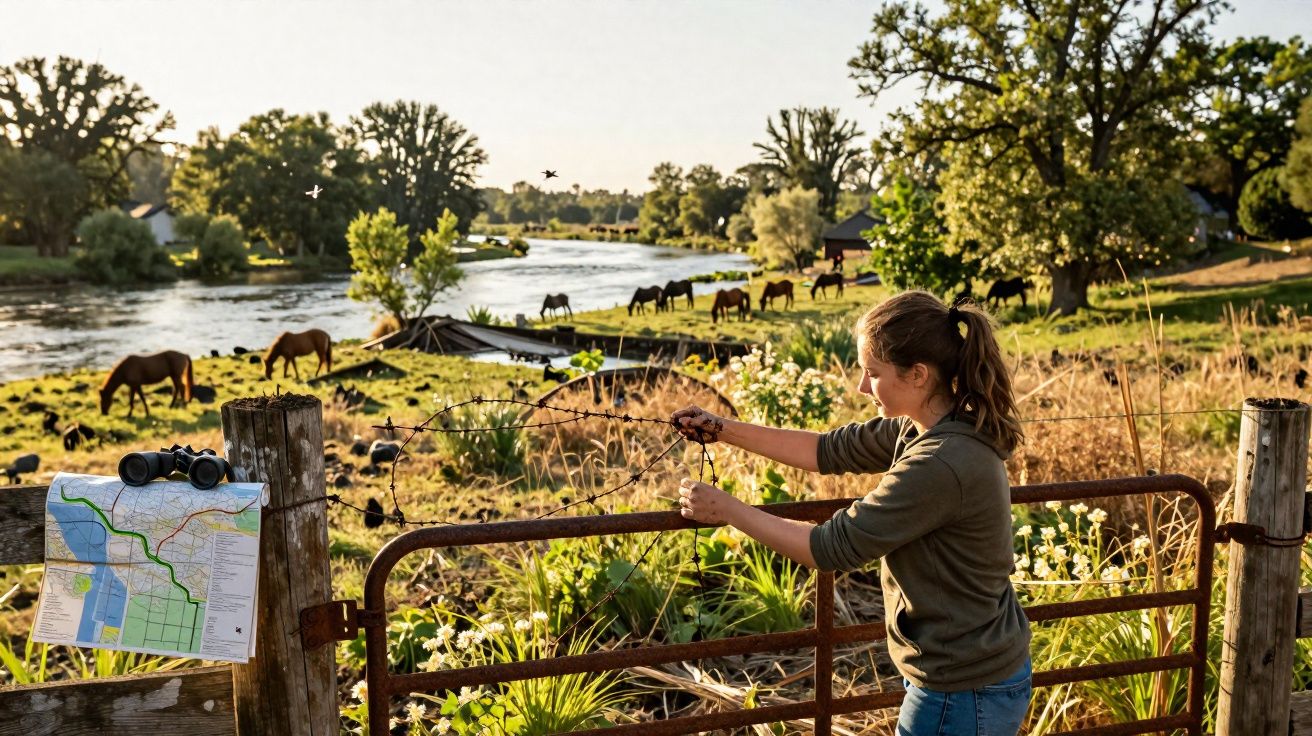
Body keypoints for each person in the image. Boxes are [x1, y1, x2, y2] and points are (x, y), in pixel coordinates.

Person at [672, 289, 1031, 735]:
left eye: (872, 373)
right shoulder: (929, 425)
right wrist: (720, 428)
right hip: (969, 670)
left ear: (917, 375)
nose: (862, 387)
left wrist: (727, 509)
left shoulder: (941, 463)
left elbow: (828, 547)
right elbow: (825, 449)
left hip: (962, 687)